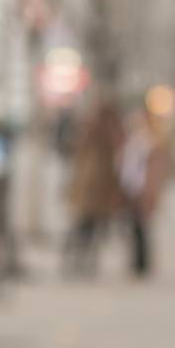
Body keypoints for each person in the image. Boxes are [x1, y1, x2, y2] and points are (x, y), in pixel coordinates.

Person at [62, 97, 122, 277]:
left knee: (85, 228)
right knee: (86, 228)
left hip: (93, 191)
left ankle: (79, 260)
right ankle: (79, 260)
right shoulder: (97, 134)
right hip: (93, 191)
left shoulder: (95, 134)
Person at [117, 107, 169, 278]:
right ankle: (137, 261)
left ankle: (142, 263)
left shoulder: (150, 141)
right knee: (133, 227)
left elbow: (155, 170)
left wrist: (150, 190)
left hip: (141, 188)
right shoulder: (134, 140)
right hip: (131, 187)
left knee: (141, 227)